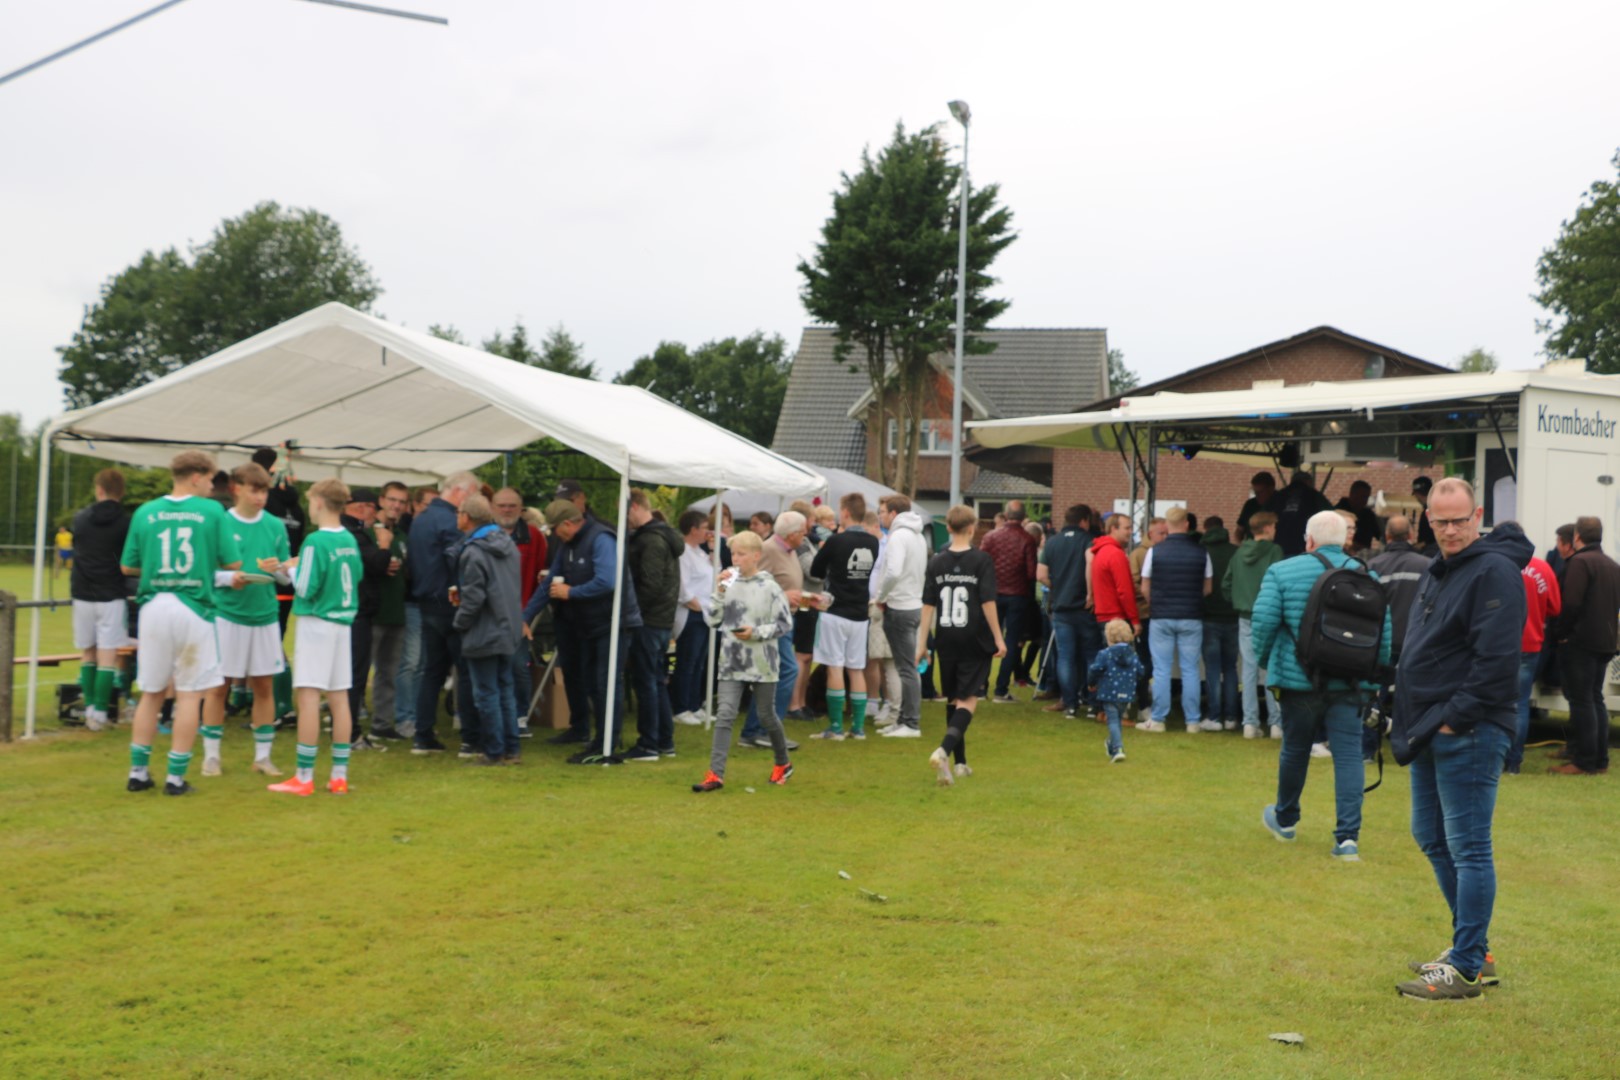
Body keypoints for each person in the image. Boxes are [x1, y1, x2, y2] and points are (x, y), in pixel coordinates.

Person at [1392, 477, 1529, 999]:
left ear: (1478, 517)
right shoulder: (1442, 567)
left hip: (1468, 729)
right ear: (1427, 519)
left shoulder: (1494, 570)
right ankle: (1476, 950)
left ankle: (1468, 966)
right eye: (1440, 521)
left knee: (1469, 847)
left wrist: (1454, 718)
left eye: (1458, 520)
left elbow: (1498, 662)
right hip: (1430, 726)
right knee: (1430, 836)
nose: (1449, 530)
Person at [1253, 510, 1392, 861]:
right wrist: (1372, 676)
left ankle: (1286, 819)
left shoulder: (1282, 571)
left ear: (1309, 539)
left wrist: (1270, 662)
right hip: (1351, 682)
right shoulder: (1368, 576)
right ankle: (1347, 839)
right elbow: (1384, 635)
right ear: (1345, 539)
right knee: (1348, 755)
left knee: (1295, 749)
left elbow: (1263, 624)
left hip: (1298, 681)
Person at [119, 451, 243, 795]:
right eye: (210, 480)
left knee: (151, 693)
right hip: (193, 608)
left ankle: (138, 773)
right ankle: (175, 778)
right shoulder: (211, 511)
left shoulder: (145, 511)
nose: (212, 487)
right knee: (189, 695)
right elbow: (232, 563)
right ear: (196, 477)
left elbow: (127, 566)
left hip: (154, 606)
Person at [525, 499, 642, 764]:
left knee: (605, 683)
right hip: (591, 624)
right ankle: (599, 740)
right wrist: (527, 616)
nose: (554, 535)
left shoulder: (601, 539)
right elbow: (550, 582)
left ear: (568, 523)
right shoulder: (568, 544)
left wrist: (571, 592)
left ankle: (606, 745)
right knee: (592, 682)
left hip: (614, 622)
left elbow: (607, 581)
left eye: (555, 528)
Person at [269, 479, 364, 796]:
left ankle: (304, 777)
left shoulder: (315, 540)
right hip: (342, 624)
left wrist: (290, 569)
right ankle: (339, 776)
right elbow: (356, 576)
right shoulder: (348, 538)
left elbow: (306, 587)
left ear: (320, 502)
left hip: (317, 623)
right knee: (339, 697)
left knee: (308, 696)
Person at [202, 463, 291, 778]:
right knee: (218, 687)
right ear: (236, 489)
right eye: (255, 490)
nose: (261, 497)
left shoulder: (275, 526)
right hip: (227, 616)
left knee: (264, 686)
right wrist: (230, 578)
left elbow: (286, 578)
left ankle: (262, 758)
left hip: (265, 616)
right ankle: (211, 757)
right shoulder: (220, 523)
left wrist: (279, 569)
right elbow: (205, 572)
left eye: (264, 491)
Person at [690, 531, 795, 792]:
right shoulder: (728, 583)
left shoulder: (770, 587)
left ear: (756, 556)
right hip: (731, 661)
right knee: (725, 714)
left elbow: (784, 624)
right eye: (733, 553)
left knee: (766, 716)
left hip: (763, 663)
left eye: (741, 554)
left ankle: (783, 763)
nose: (735, 559)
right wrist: (718, 592)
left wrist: (756, 632)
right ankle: (715, 775)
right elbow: (714, 620)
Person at [917, 505, 1006, 785]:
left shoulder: (936, 562)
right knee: (968, 701)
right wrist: (998, 637)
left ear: (948, 527)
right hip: (974, 638)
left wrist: (922, 644)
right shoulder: (981, 560)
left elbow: (927, 606)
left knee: (954, 699)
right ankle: (944, 750)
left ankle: (960, 764)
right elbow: (988, 601)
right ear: (971, 528)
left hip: (946, 638)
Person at [407, 472, 481, 755]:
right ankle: (471, 739)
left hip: (426, 603)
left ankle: (423, 735)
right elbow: (459, 563)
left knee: (432, 672)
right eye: (472, 495)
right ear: (461, 492)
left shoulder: (421, 519)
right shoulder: (450, 521)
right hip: (450, 604)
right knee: (466, 670)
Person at [451, 494, 524, 766]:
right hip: (508, 627)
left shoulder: (473, 551)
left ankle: (494, 751)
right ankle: (511, 749)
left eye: (459, 512)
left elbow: (474, 598)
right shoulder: (508, 544)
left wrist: (459, 622)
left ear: (467, 517)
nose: (457, 517)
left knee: (486, 693)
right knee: (505, 689)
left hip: (484, 630)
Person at [1547, 515, 1620, 776]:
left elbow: (1571, 603)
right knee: (1595, 698)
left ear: (1577, 536)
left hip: (1581, 643)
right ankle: (1600, 759)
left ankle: (1584, 761)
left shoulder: (1580, 562)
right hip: (1605, 642)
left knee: (1581, 701)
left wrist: (1560, 633)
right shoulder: (1612, 564)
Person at [808, 493, 880, 739]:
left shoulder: (836, 541)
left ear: (846, 512)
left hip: (836, 611)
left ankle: (836, 727)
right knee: (856, 669)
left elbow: (816, 571)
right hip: (860, 613)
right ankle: (857, 728)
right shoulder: (873, 542)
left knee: (835, 667)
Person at [1492, 523, 1561, 775]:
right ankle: (1513, 762)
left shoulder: (1494, 565)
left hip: (1497, 645)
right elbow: (1555, 607)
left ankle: (1494, 758)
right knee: (1520, 704)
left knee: (1494, 703)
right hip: (1531, 644)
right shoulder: (1542, 568)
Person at [740, 510, 810, 750]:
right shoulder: (768, 550)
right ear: (791, 534)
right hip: (770, 621)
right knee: (787, 671)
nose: (805, 536)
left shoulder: (788, 550)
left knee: (772, 674)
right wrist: (783, 595)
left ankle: (755, 731)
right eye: (802, 532)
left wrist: (804, 597)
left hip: (785, 619)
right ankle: (765, 730)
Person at [623, 488, 684, 761]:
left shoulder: (651, 540)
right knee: (656, 681)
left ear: (635, 507)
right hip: (661, 620)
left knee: (646, 682)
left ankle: (649, 744)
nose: (624, 518)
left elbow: (651, 585)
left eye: (625, 511)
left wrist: (632, 613)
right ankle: (664, 741)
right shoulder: (661, 536)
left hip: (648, 621)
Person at [1366, 514, 1432, 759]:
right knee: (1412, 696)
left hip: (1381, 642)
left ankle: (1367, 750)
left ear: (1387, 536)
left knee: (1375, 695)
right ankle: (1411, 747)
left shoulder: (1374, 566)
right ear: (1411, 536)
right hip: (1415, 641)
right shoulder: (1427, 566)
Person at [1140, 507, 1211, 734]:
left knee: (1161, 669)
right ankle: (1192, 721)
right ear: (1187, 525)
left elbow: (1145, 586)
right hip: (1191, 616)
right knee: (1190, 669)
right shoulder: (1202, 552)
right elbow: (1207, 588)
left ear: (1166, 525)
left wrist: (1156, 603)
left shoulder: (1154, 551)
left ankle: (1158, 719)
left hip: (1161, 616)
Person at [71, 468, 131, 731]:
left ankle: (89, 711)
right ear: (121, 492)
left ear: (99, 490)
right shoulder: (126, 522)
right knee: (108, 655)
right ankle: (100, 713)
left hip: (83, 591)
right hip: (111, 593)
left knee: (88, 652)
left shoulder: (80, 518)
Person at [341, 488, 395, 751]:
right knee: (354, 676)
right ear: (363, 507)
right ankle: (349, 734)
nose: (375, 514)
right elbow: (373, 563)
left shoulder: (347, 531)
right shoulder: (354, 533)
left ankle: (345, 730)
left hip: (350, 611)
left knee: (349, 675)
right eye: (374, 507)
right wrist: (384, 545)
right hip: (356, 612)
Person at [1222, 510, 1284, 739]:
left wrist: (1238, 600)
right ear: (1267, 528)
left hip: (1245, 616)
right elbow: (1280, 582)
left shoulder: (1239, 553)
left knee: (1249, 670)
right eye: (1274, 526)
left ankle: (1250, 722)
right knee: (1270, 669)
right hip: (1269, 615)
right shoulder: (1275, 551)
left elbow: (1226, 584)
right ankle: (1276, 723)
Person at [492, 487, 547, 738]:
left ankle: (519, 717)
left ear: (520, 508)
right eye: (502, 505)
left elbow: (542, 575)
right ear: (493, 508)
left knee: (518, 666)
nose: (507, 510)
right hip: (489, 614)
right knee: (490, 668)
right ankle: (494, 717)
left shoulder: (534, 536)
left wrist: (530, 612)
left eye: (512, 505)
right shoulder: (485, 534)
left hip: (520, 615)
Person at [874, 495, 928, 736]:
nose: (880, 516)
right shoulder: (918, 536)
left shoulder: (898, 536)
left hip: (900, 607)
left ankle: (911, 723)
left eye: (882, 512)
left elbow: (893, 572)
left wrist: (881, 596)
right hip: (913, 604)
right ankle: (904, 720)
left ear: (894, 513)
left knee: (905, 669)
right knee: (905, 667)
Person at [1038, 504, 1096, 720]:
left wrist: (1057, 587)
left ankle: (1070, 704)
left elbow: (1040, 574)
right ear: (1084, 521)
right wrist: (1090, 593)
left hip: (1061, 608)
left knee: (1065, 657)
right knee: (1091, 655)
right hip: (1085, 607)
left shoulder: (1052, 543)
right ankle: (1092, 703)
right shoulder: (1089, 541)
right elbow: (1091, 565)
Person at [981, 501, 1039, 702]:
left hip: (992, 594)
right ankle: (1001, 689)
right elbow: (1031, 572)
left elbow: (982, 564)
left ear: (1005, 515)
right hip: (1017, 595)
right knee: (1011, 641)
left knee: (988, 638)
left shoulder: (990, 536)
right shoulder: (1028, 539)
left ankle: (980, 687)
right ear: (1023, 517)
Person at [367, 482, 411, 742]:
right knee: (360, 672)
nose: (396, 506)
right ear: (382, 500)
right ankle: (347, 724)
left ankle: (382, 724)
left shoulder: (402, 536)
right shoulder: (369, 533)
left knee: (389, 673)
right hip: (373, 614)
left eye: (402, 502)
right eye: (392, 500)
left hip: (396, 612)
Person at [671, 510, 715, 725]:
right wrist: (696, 605)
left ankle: (694, 704)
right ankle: (680, 707)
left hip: (706, 613)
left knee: (699, 662)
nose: (708, 532)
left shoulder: (702, 553)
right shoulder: (684, 553)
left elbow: (716, 575)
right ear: (693, 529)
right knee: (687, 661)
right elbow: (682, 586)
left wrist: (714, 551)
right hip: (692, 614)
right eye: (704, 528)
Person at [1199, 515, 1240, 731]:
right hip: (1233, 616)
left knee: (1213, 669)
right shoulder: (1236, 552)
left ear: (1205, 529)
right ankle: (1232, 717)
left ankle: (1214, 717)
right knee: (1231, 668)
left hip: (1209, 617)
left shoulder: (1202, 551)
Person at [1088, 619, 1144, 763]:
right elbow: (1141, 671)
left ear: (1108, 637)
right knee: (1117, 719)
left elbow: (1095, 670)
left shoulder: (1105, 654)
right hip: (1126, 693)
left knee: (1113, 720)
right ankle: (1112, 743)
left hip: (1109, 692)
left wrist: (1091, 683)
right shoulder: (1133, 655)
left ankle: (1118, 749)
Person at [1129, 516, 1166, 709]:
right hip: (1144, 614)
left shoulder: (1165, 552)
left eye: (1167, 533)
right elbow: (1133, 582)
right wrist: (1152, 594)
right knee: (1145, 659)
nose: (1165, 536)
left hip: (1160, 614)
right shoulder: (1138, 554)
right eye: (1162, 533)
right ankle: (1142, 700)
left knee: (1158, 660)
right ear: (1150, 533)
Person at [1272, 471, 1332, 557]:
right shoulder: (1314, 495)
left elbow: (1265, 514)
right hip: (1302, 546)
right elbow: (1330, 515)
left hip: (1278, 545)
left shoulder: (1278, 495)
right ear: (1308, 482)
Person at [1335, 480, 1380, 556]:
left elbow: (1380, 534)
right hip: (1341, 554)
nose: (1363, 500)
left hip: (1363, 556)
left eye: (1366, 497)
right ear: (1352, 494)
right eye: (1361, 496)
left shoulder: (1368, 515)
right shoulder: (1338, 513)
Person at [1236, 471, 1278, 537]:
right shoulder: (1250, 505)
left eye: (1261, 492)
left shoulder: (1281, 504)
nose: (1257, 496)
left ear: (1271, 488)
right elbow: (1240, 529)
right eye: (1255, 492)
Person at [1410, 475, 1438, 553]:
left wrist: (1422, 544)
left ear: (1418, 493)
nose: (1416, 498)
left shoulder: (1429, 511)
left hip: (1430, 552)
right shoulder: (1436, 508)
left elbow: (1434, 535)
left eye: (1415, 494)